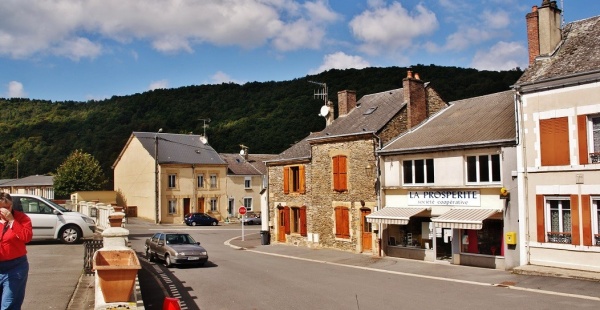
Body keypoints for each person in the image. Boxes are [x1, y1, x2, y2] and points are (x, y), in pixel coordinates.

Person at [0, 193, 32, 309]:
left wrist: (12, 221)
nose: (5, 211)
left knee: (8, 304)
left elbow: (26, 237)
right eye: (1, 207)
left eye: (8, 207)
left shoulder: (22, 218)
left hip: (15, 267)